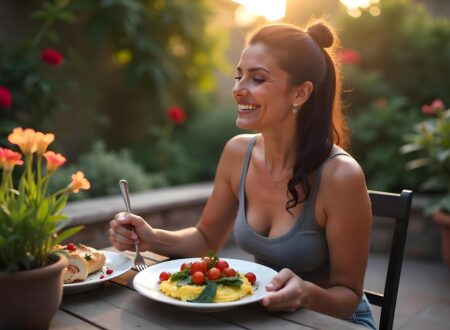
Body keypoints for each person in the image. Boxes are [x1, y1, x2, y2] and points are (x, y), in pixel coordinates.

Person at [108, 19, 376, 329]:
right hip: (269, 317)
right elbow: (206, 238)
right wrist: (151, 237)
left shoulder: (340, 176)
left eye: (257, 79)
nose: (237, 89)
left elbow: (349, 296)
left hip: (334, 321)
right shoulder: (238, 153)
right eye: (239, 76)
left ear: (300, 93)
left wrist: (307, 294)